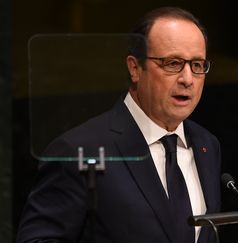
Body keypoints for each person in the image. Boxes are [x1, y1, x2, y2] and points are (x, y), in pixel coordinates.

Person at [16, 6, 221, 243]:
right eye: (173, 63)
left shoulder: (207, 145)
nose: (187, 79)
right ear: (135, 68)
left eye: (197, 65)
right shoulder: (79, 150)